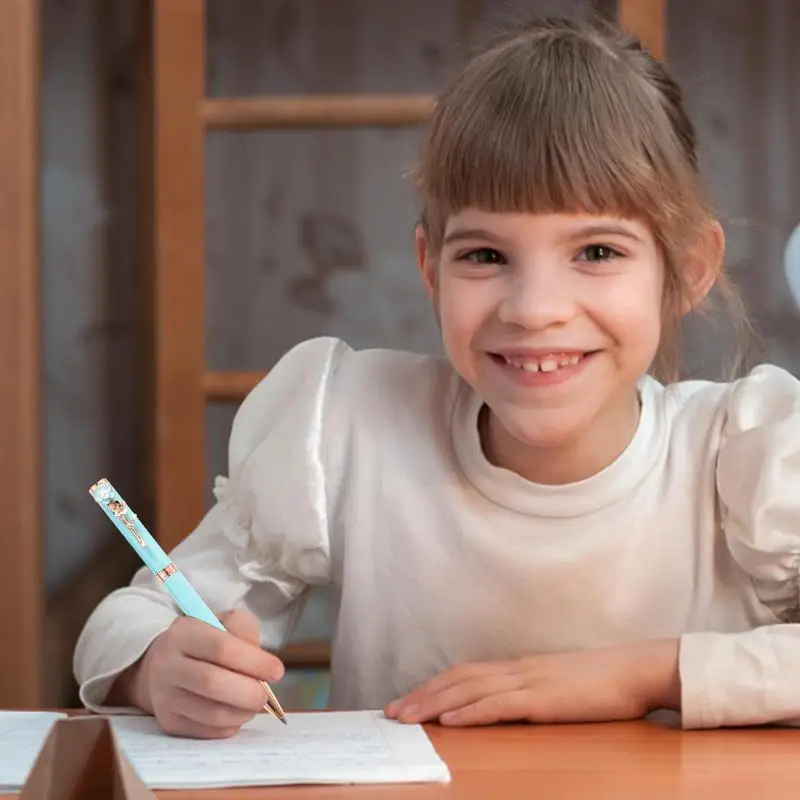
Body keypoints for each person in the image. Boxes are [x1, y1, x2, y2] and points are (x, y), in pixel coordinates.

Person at [74, 14, 800, 739]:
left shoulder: (746, 456)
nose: (534, 310)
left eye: (598, 252)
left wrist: (637, 676)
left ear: (689, 270)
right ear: (431, 268)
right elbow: (129, 620)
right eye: (485, 256)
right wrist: (158, 665)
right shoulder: (349, 428)